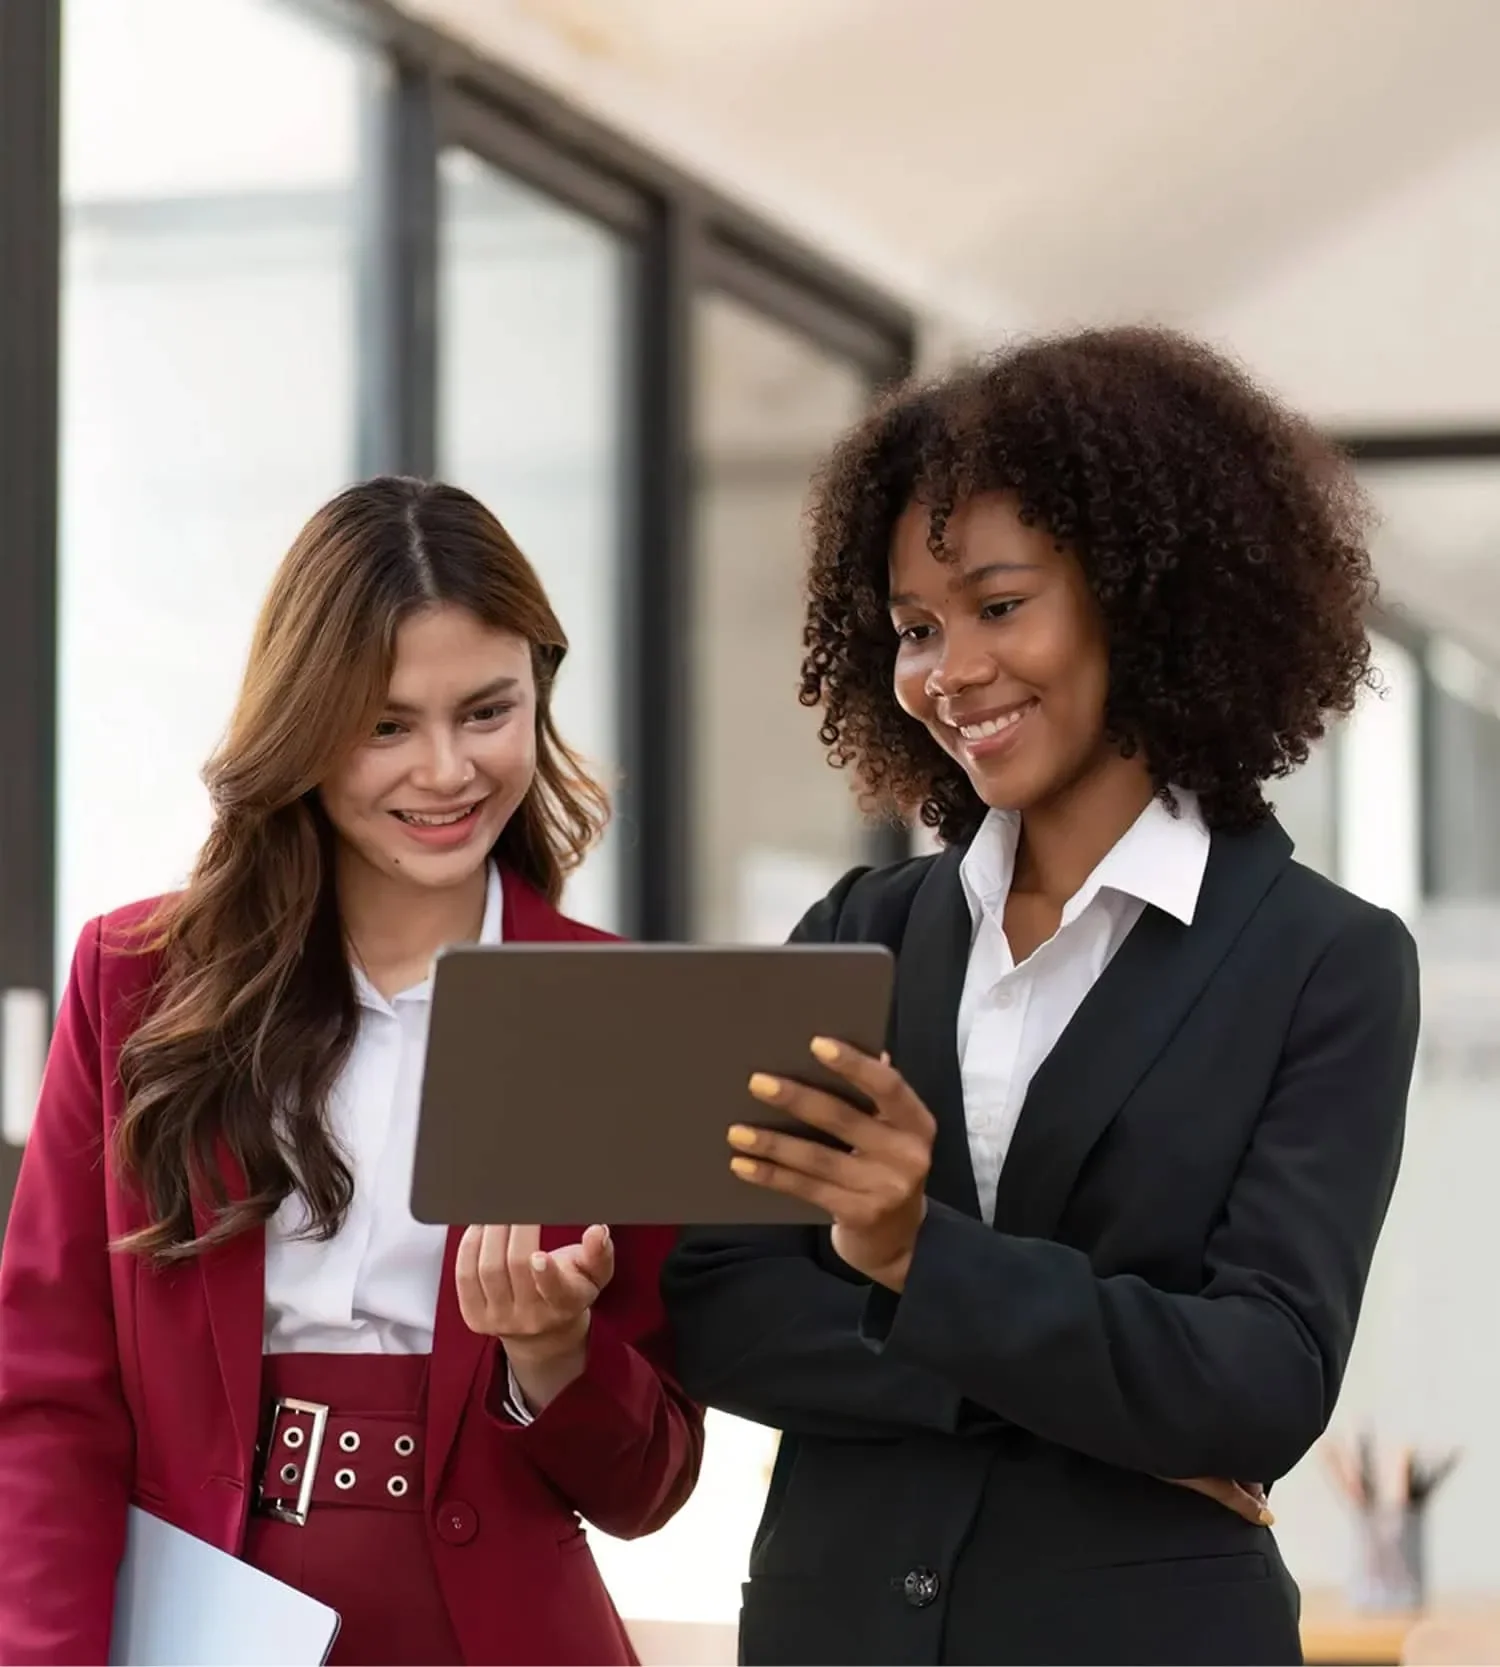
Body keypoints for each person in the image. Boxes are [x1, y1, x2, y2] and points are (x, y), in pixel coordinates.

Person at [663, 328, 1419, 1666]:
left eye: (1000, 604)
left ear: (1141, 594)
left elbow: (1261, 1378)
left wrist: (911, 1254)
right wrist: (1091, 1398)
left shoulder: (1325, 960)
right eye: (914, 627)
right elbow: (721, 1308)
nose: (949, 671)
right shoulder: (857, 935)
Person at [0, 477, 702, 1666]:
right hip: (192, 1624)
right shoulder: (133, 983)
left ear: (540, 693)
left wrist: (555, 1357)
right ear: (302, 725)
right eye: (385, 725)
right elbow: (48, 1398)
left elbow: (649, 1484)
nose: (445, 771)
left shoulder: (614, 1016)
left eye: (487, 711)